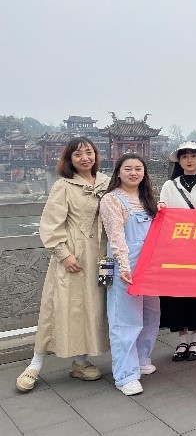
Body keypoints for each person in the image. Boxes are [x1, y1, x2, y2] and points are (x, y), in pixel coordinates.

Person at [16, 138, 110, 393]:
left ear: (96, 155)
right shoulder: (64, 186)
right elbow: (50, 223)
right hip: (73, 255)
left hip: (104, 257)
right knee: (58, 305)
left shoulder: (107, 182)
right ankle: (35, 363)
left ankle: (80, 361)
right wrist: (63, 254)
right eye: (77, 154)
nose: (84, 158)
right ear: (69, 159)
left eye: (88, 152)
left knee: (95, 306)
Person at [100, 153, 160, 396]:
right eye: (128, 169)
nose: (133, 173)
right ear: (118, 172)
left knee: (151, 313)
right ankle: (125, 375)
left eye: (138, 169)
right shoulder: (111, 200)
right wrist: (124, 265)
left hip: (150, 266)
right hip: (126, 265)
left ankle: (142, 358)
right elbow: (116, 237)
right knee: (125, 319)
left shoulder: (147, 199)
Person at [158, 141, 196, 362]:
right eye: (184, 156)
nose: (189, 160)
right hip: (177, 250)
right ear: (179, 161)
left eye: (193, 156)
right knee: (177, 296)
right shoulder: (170, 185)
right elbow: (163, 212)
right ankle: (182, 339)